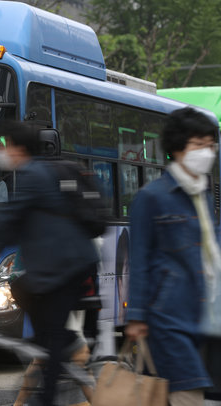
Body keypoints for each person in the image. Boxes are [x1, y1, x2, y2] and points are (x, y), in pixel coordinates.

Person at [0, 121, 99, 406]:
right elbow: (18, 225)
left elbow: (9, 217)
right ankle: (64, 344)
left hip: (70, 268)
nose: (0, 152)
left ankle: (48, 394)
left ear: (17, 148)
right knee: (22, 290)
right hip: (59, 266)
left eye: (4, 146)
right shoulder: (33, 174)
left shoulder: (33, 174)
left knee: (50, 340)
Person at [125, 107, 218, 405]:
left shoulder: (203, 193)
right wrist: (136, 315)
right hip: (168, 316)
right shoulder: (152, 197)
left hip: (206, 312)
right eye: (198, 144)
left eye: (211, 145)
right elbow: (138, 259)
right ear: (178, 148)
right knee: (188, 393)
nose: (207, 152)